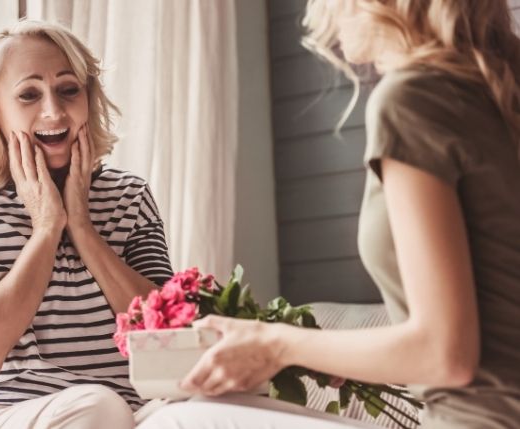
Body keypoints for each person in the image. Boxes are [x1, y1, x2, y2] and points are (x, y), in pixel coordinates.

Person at [139, 0, 520, 428]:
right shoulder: (499, 82)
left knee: (175, 423)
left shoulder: (413, 98)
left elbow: (443, 354)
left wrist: (274, 343)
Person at [0, 19, 173, 429]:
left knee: (212, 409)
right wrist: (46, 228)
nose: (54, 110)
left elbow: (166, 338)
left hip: (130, 412)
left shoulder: (130, 197)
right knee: (98, 407)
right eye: (28, 94)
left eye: (69, 90)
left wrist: (84, 230)